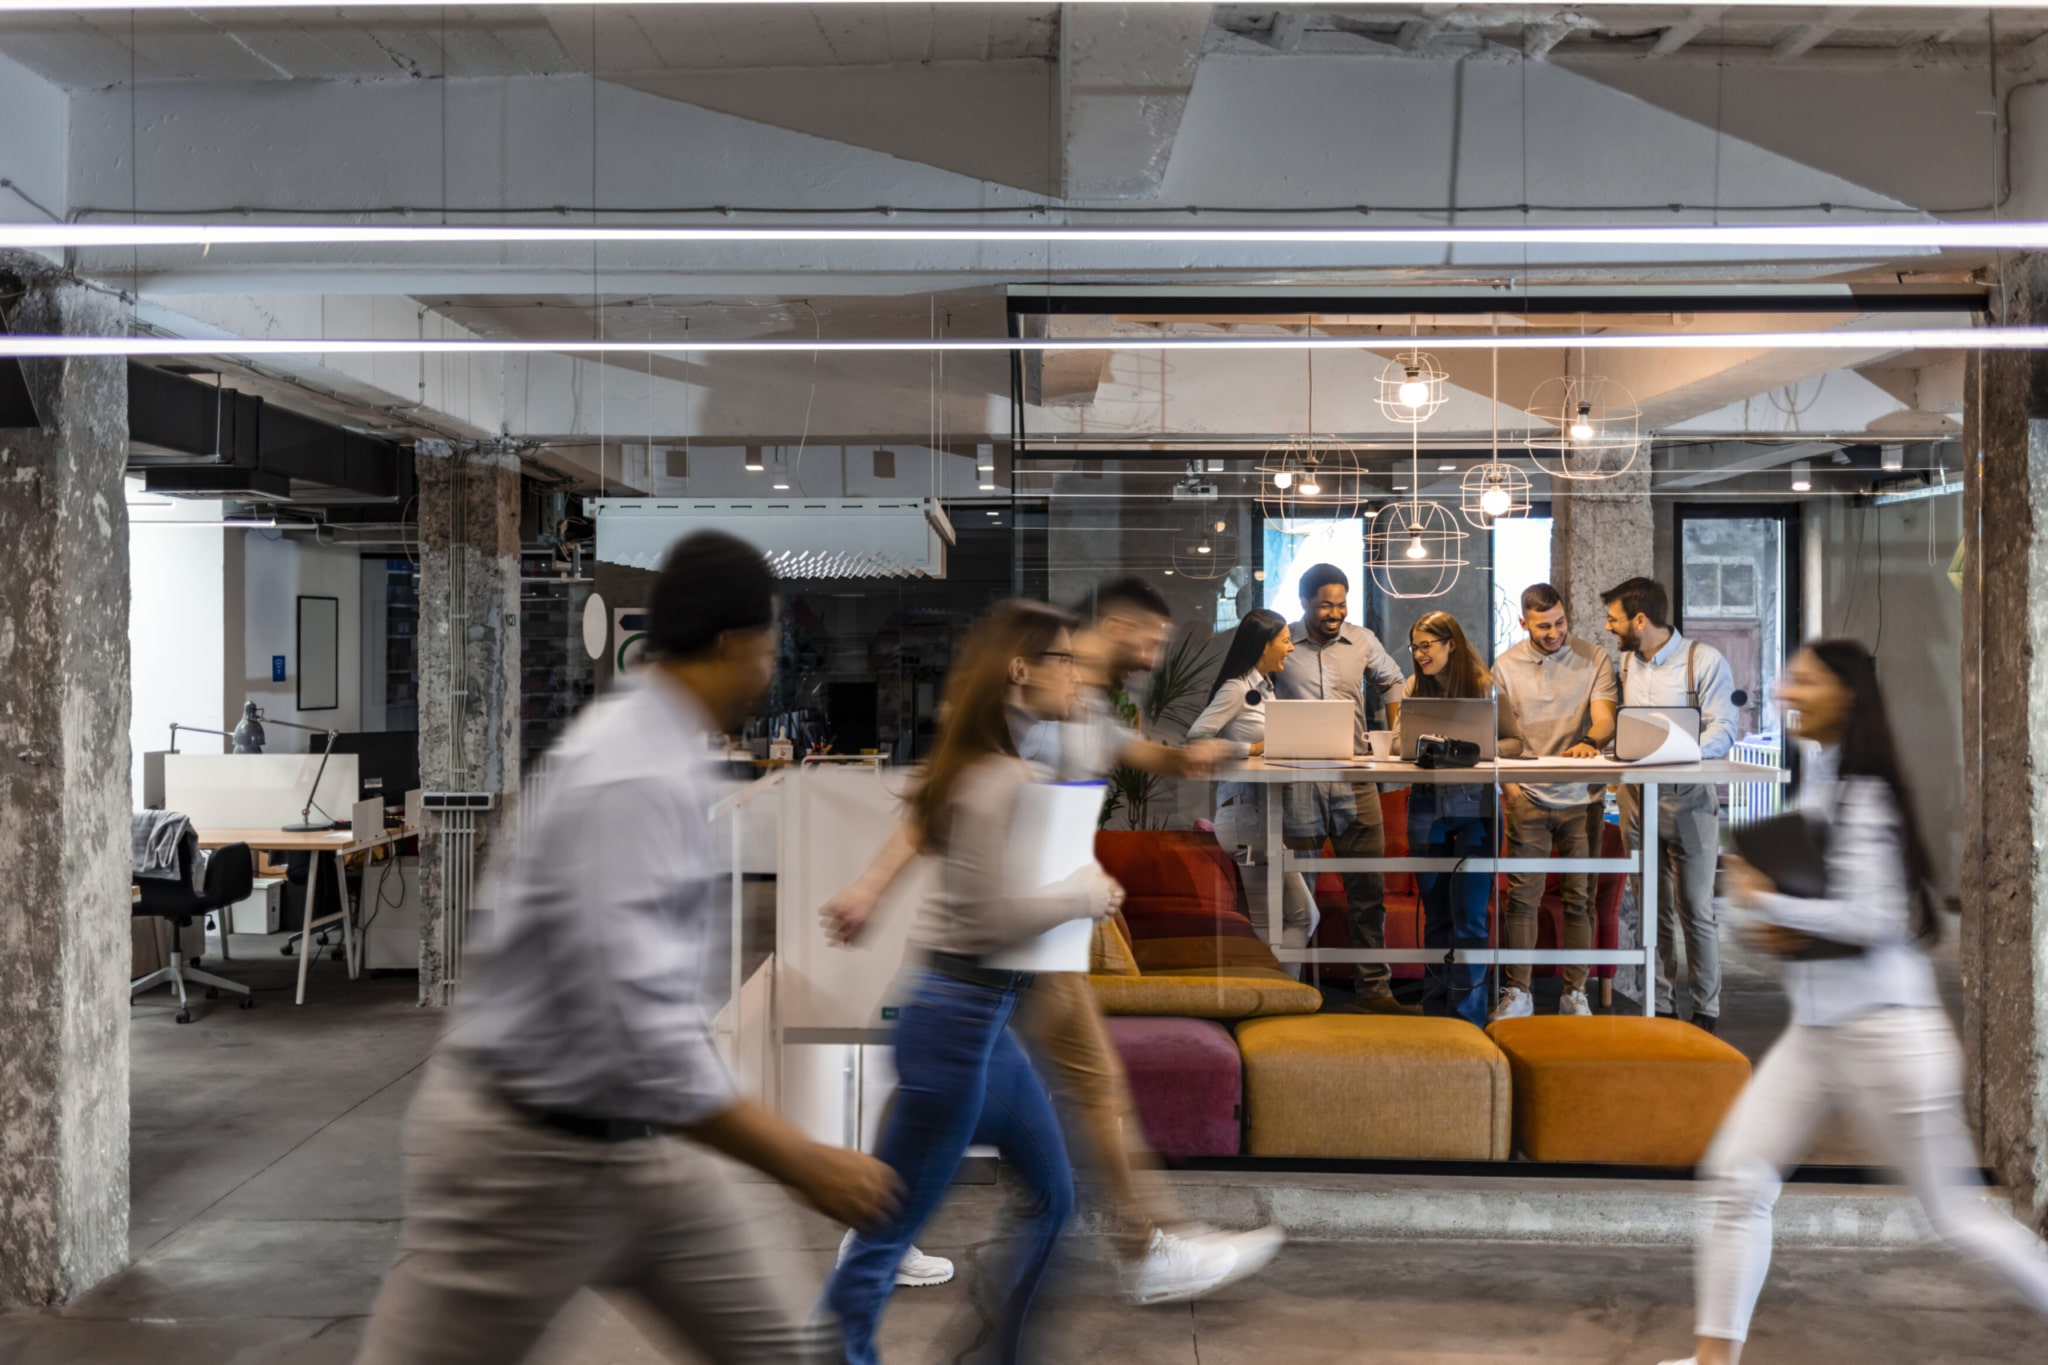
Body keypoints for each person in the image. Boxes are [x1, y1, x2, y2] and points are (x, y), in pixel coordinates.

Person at [353, 531, 898, 1365]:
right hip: (522, 1160)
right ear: (734, 644)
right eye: (769, 641)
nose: (771, 663)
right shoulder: (630, 773)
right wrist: (803, 1160)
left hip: (644, 1147)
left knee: (791, 1352)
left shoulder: (662, 749)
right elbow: (633, 1033)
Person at [826, 579, 1280, 1306]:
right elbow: (936, 802)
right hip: (1020, 930)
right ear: (1122, 626)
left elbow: (1123, 748)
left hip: (1037, 932)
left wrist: (1186, 759)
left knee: (942, 1093)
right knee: (1082, 1084)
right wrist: (871, 887)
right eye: (1154, 638)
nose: (1158, 653)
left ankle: (880, 1225)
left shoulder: (1083, 698)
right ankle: (1140, 1246)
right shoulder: (1042, 701)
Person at [1657, 640, 2048, 1365]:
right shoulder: (1818, 786)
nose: (1782, 691)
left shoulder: (1865, 794)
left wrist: (1767, 899)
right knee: (1738, 1178)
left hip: (1887, 1037)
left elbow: (1874, 920)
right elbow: (1784, 920)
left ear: (1848, 693)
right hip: (1819, 1032)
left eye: (1803, 678)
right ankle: (1713, 1358)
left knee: (1958, 1216)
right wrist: (1759, 912)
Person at [824, 600, 1119, 1365]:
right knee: (883, 1234)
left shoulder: (995, 762)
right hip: (953, 1031)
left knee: (1054, 1199)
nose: (1075, 674)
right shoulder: (996, 777)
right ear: (1020, 670)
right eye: (1062, 660)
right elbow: (991, 920)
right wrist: (1081, 896)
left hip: (985, 1027)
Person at [1274, 563, 1417, 1015]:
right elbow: (1252, 691)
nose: (1335, 613)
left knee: (1367, 889)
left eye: (1341, 603)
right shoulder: (1281, 644)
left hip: (1355, 780)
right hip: (1298, 780)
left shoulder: (1363, 641)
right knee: (1298, 892)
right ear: (1304, 603)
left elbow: (1393, 680)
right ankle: (1290, 991)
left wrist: (1397, 740)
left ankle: (1374, 989)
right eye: (1325, 605)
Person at [1603, 576, 1739, 1033]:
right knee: (1649, 907)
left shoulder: (1704, 660)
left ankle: (1706, 1009)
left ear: (1640, 620)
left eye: (1614, 618)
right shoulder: (1627, 663)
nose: (1609, 627)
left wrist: (1673, 750)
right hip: (1637, 798)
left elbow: (1723, 730)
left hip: (1687, 798)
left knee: (1696, 909)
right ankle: (1660, 1003)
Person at [1490, 582, 1619, 1020]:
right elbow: (1501, 737)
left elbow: (1605, 716)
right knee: (1521, 899)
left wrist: (1589, 741)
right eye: (1543, 626)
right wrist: (1509, 788)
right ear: (1524, 623)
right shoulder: (1504, 666)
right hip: (1526, 794)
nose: (1554, 632)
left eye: (1560, 622)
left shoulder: (1593, 657)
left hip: (1582, 797)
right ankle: (1518, 991)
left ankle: (1576, 992)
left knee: (1579, 897)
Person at [1401, 611, 1524, 1026]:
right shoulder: (1414, 687)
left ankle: (1467, 1018)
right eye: (1415, 647)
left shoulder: (1485, 686)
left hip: (1477, 808)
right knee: (1436, 914)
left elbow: (1515, 742)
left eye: (1427, 645)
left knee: (1469, 917)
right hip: (1425, 804)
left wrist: (1481, 749)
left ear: (1451, 644)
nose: (1419, 655)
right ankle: (1436, 1013)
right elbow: (1401, 745)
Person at [1187, 607, 1320, 958]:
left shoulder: (1264, 689)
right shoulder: (1236, 688)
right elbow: (1196, 738)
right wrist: (1253, 748)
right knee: (1283, 922)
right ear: (1264, 645)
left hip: (1262, 817)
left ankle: (1281, 998)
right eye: (1286, 641)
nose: (1291, 649)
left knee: (1296, 918)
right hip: (1245, 817)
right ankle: (1278, 1000)